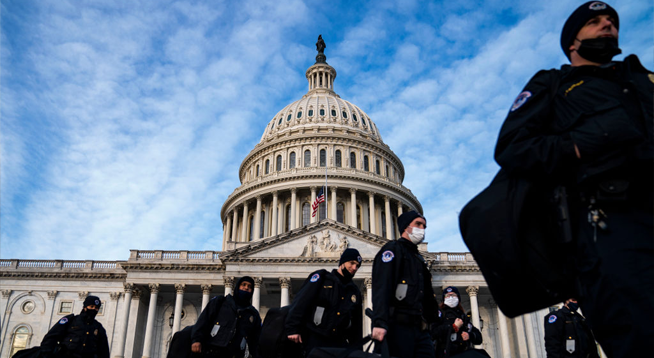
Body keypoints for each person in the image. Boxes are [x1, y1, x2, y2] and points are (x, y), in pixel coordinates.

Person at [494, 2, 653, 356]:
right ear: (572, 41)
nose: (607, 27)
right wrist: (584, 144)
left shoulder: (642, 80)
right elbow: (512, 149)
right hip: (609, 226)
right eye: (595, 22)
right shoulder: (554, 85)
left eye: (612, 21)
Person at [371, 210, 441, 358]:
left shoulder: (420, 259)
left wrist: (436, 325)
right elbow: (382, 287)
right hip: (398, 327)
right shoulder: (392, 250)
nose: (422, 229)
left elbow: (427, 297)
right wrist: (380, 322)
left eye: (424, 226)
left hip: (421, 330)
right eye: (418, 224)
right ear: (405, 227)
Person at [285, 248, 363, 356]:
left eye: (358, 266)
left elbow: (356, 326)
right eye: (352, 263)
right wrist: (293, 329)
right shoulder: (322, 279)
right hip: (315, 339)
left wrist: (358, 350)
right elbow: (301, 302)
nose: (355, 268)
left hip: (339, 343)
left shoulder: (354, 292)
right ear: (342, 262)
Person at [191, 276, 262, 358]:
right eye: (244, 284)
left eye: (249, 287)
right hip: (212, 350)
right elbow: (203, 321)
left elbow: (255, 340)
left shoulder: (253, 314)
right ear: (238, 286)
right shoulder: (220, 302)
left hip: (234, 354)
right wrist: (196, 340)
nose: (246, 288)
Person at [39, 295, 110, 358]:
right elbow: (51, 338)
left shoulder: (98, 327)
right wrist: (46, 354)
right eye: (91, 306)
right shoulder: (71, 320)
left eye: (96, 308)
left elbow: (103, 351)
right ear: (85, 307)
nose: (94, 309)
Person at [432, 287, 482, 358]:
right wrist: (453, 327)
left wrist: (469, 335)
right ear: (444, 299)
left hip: (462, 352)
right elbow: (433, 333)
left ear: (458, 298)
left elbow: (479, 338)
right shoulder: (440, 314)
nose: (451, 297)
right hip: (444, 352)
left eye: (453, 295)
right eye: (447, 295)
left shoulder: (463, 316)